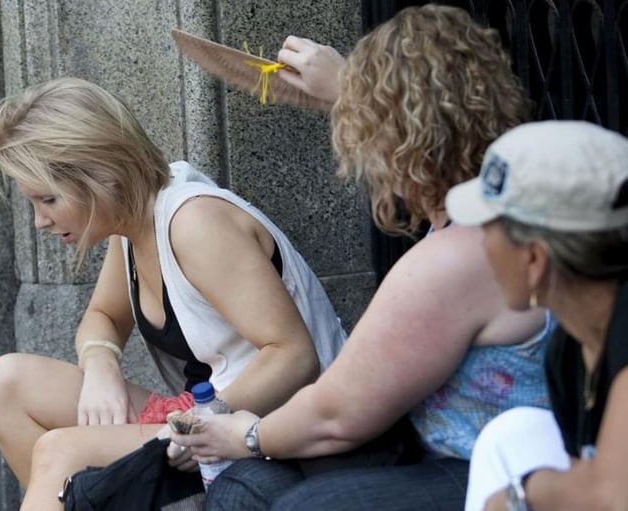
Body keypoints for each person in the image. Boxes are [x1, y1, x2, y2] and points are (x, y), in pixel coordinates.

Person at [171, 5, 552, 510]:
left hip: (503, 480)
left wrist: (247, 435)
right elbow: (429, 118)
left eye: (362, 127)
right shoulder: (517, 201)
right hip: (453, 453)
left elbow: (336, 414)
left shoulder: (458, 256)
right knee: (247, 492)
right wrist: (354, 90)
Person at [0, 76, 347, 511]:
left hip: (275, 432)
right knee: (6, 384)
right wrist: (101, 366)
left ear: (99, 174)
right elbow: (104, 315)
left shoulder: (194, 223)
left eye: (48, 200)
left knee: (61, 451)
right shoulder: (132, 222)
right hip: (193, 419)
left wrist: (200, 421)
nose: (40, 221)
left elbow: (293, 355)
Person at [445, 120, 628, 511]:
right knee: (510, 434)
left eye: (486, 228)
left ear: (533, 260)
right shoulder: (569, 348)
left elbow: (609, 496)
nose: (480, 244)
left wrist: (525, 492)